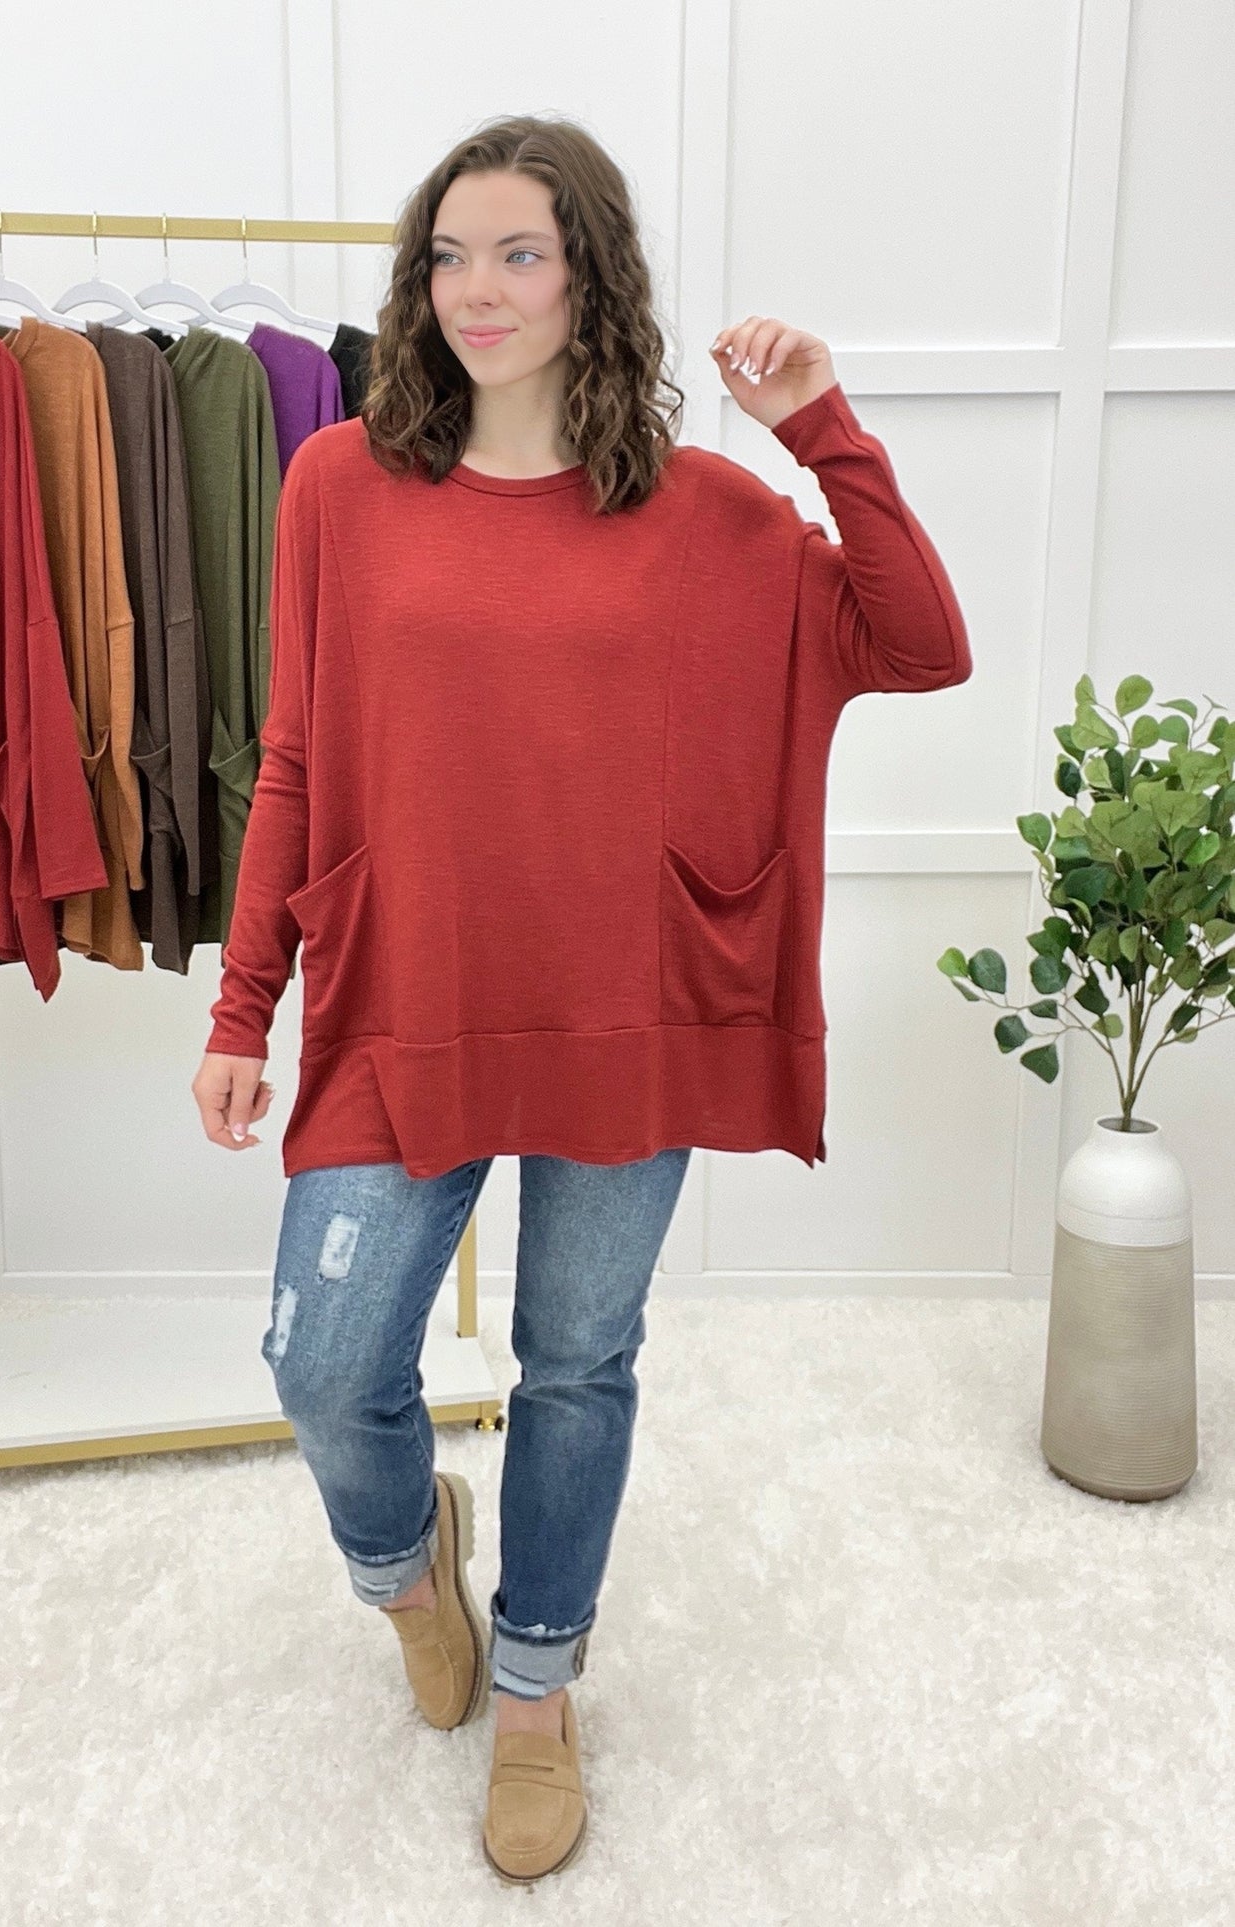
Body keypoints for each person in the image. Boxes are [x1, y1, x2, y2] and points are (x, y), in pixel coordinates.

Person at [191, 113, 971, 1885]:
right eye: (447, 256)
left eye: (519, 254)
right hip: (403, 1003)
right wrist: (243, 1008)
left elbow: (919, 644)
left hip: (627, 1010)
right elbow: (296, 756)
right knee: (324, 1365)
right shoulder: (336, 489)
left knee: (577, 1361)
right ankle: (410, 1570)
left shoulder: (704, 514)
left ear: (589, 278)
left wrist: (821, 432)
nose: (475, 291)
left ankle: (537, 1689)